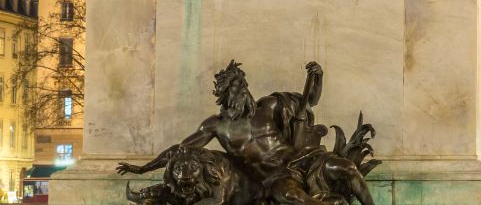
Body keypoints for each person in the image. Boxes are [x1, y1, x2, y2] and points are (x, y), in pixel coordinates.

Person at [116, 61, 375, 205]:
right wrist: (141, 170)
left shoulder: (270, 106)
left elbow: (310, 102)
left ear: (245, 88)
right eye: (230, 92)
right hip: (272, 179)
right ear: (223, 97)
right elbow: (180, 150)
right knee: (293, 197)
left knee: (347, 168)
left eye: (239, 88)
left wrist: (317, 77)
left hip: (301, 161)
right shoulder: (216, 126)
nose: (237, 95)